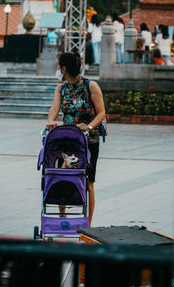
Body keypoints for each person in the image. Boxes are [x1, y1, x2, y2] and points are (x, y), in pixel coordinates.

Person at [46, 52, 106, 226]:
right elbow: (54, 109)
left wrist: (89, 126)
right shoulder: (61, 89)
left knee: (89, 184)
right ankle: (62, 219)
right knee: (62, 177)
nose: (57, 69)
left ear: (64, 69)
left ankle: (88, 224)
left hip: (89, 141)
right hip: (68, 140)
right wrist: (50, 121)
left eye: (58, 66)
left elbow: (102, 113)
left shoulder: (91, 86)